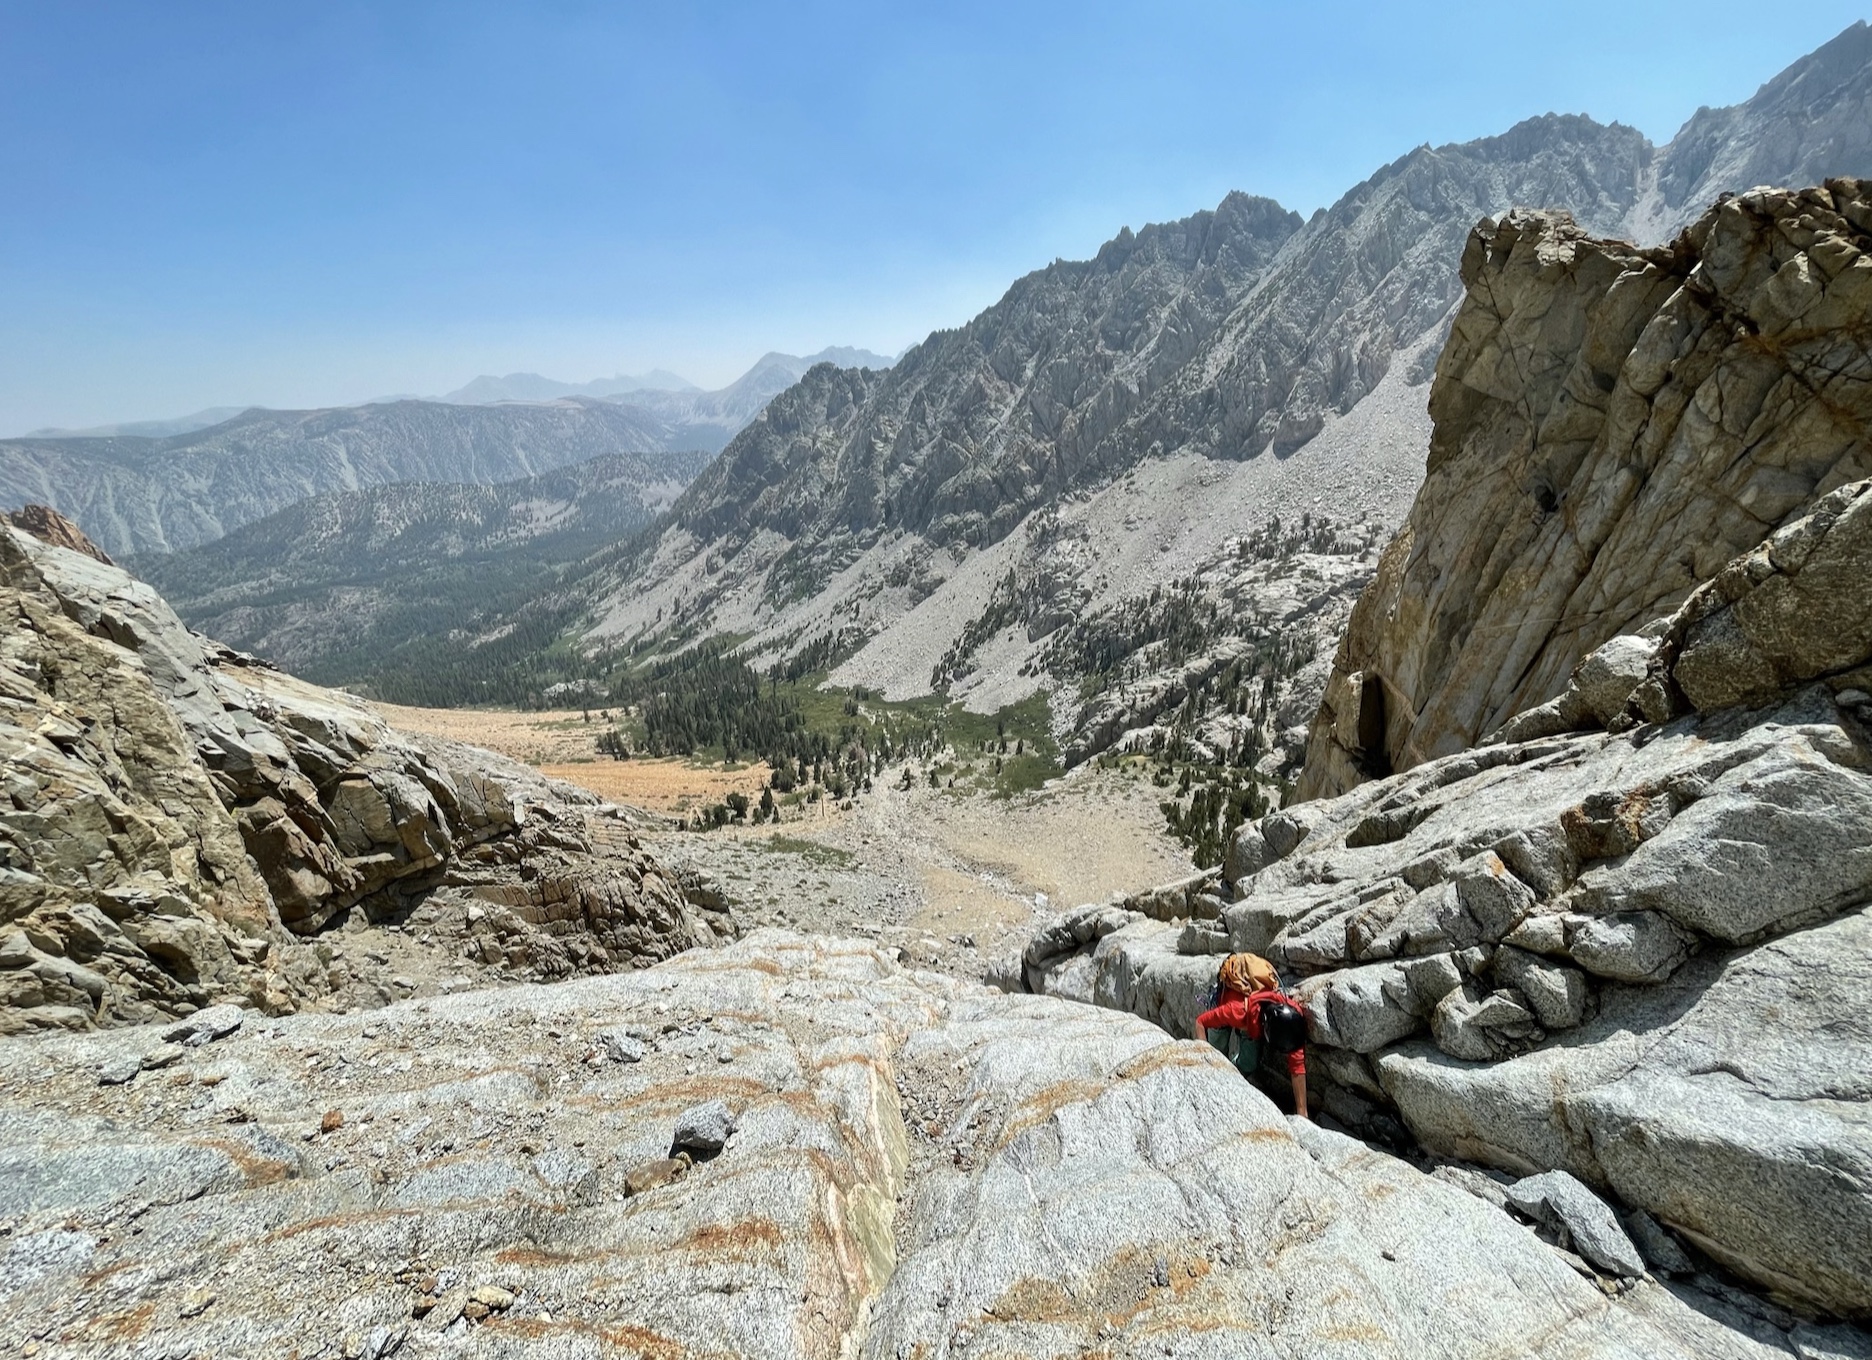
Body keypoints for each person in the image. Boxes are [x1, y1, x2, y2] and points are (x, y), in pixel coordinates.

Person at [1194, 952, 1309, 1119]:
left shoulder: (1291, 1019)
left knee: (1249, 1064)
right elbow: (1200, 1023)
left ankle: (1230, 1080)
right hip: (1226, 1005)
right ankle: (1215, 1081)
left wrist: (1302, 1113)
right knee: (1216, 1054)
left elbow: (1297, 1067)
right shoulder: (1236, 1011)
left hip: (1251, 1021)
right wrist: (1205, 1060)